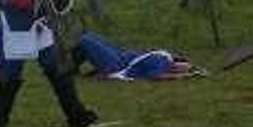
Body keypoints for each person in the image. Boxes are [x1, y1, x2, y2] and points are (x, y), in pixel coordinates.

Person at [72, 32, 205, 81]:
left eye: (186, 67)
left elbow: (155, 76)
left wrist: (183, 76)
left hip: (117, 65)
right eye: (186, 64)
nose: (185, 66)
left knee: (85, 39)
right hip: (122, 55)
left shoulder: (162, 65)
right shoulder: (165, 57)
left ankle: (67, 69)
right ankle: (72, 69)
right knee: (91, 35)